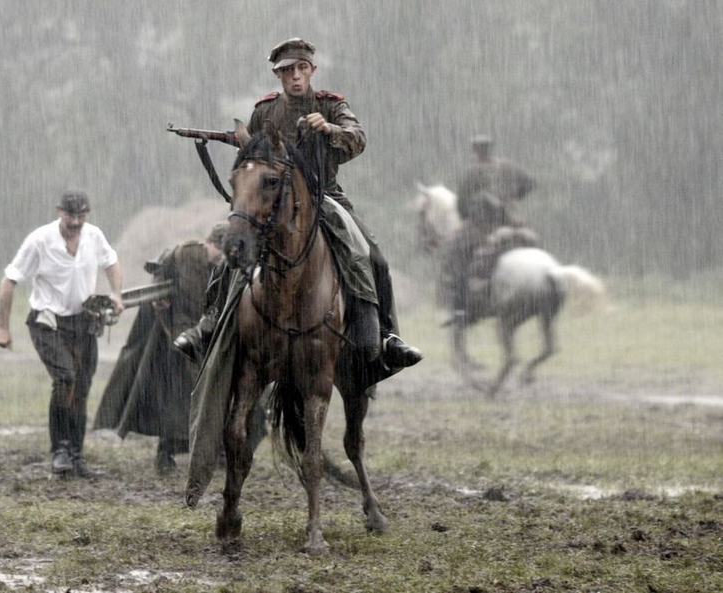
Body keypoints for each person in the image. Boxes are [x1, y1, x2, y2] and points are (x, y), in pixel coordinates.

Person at [174, 38, 422, 372]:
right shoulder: (264, 110)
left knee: (371, 253)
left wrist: (330, 128)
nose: (295, 75)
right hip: (273, 204)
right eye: (287, 70)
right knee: (233, 243)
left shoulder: (331, 104)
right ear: (278, 74)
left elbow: (358, 139)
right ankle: (210, 322)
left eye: (301, 68)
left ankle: (386, 337)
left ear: (311, 70)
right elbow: (252, 155)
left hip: (326, 197)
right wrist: (241, 145)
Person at [0, 191, 124, 478]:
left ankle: (76, 456)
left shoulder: (94, 236)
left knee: (83, 387)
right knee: (65, 378)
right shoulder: (39, 240)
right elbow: (9, 280)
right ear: (59, 212)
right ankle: (60, 451)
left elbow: (111, 261)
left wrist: (116, 293)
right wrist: (3, 327)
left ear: (87, 215)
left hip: (83, 322)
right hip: (48, 322)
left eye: (81, 216)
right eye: (70, 216)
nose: (76, 222)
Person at [93, 222, 227, 473]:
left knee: (199, 394)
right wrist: (174, 323)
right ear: (217, 244)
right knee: (174, 398)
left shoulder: (215, 266)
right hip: (169, 338)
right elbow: (166, 287)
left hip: (195, 336)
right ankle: (166, 454)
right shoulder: (188, 255)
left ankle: (213, 450)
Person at [444, 135, 538, 323]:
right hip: (513, 223)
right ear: (491, 149)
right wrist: (512, 199)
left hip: (483, 226)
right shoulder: (509, 167)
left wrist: (467, 215)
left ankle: (460, 308)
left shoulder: (473, 173)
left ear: (475, 152)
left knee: (457, 256)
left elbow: (461, 203)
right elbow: (531, 183)